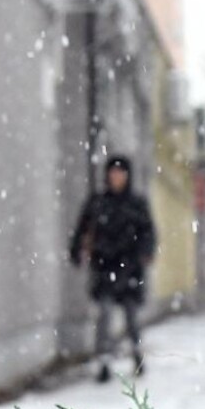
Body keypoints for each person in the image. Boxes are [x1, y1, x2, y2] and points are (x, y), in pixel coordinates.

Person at [70, 155, 156, 382]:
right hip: (104, 265)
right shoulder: (98, 202)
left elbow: (148, 231)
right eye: (113, 173)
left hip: (130, 267)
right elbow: (82, 228)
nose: (117, 177)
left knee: (131, 316)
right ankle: (104, 361)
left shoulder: (136, 203)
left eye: (120, 173)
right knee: (105, 315)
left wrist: (145, 252)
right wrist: (77, 250)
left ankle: (136, 353)